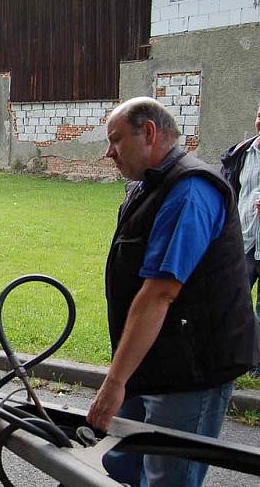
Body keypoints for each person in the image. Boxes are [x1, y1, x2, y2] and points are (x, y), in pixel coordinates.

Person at [87, 97, 258, 487]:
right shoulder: (147, 187)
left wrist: (114, 383)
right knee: (119, 467)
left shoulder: (191, 191)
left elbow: (160, 293)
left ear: (148, 133)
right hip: (152, 362)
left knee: (168, 478)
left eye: (115, 140)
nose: (108, 152)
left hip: (190, 371)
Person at [220, 104, 260, 324]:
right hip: (243, 242)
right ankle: (238, 357)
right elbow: (228, 193)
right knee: (233, 305)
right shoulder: (241, 154)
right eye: (259, 115)